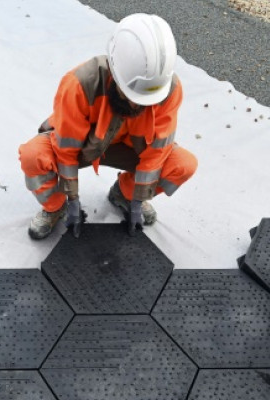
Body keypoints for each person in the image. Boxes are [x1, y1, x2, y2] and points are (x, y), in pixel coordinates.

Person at [18, 13, 197, 239]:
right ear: (114, 70)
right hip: (84, 146)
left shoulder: (167, 90)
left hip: (129, 149)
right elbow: (66, 149)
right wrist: (71, 199)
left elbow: (157, 153)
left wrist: (137, 200)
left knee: (183, 165)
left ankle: (124, 194)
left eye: (145, 100)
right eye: (131, 94)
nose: (136, 104)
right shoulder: (80, 83)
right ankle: (56, 207)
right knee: (33, 156)